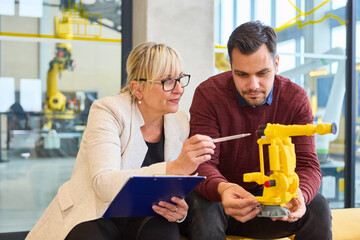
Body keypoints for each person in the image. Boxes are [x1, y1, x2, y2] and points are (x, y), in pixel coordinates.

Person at [26, 42, 215, 240]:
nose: (179, 90)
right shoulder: (108, 111)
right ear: (138, 88)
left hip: (146, 216)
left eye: (180, 79)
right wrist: (175, 167)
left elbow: (172, 188)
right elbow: (104, 184)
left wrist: (179, 212)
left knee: (165, 232)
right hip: (94, 213)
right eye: (167, 81)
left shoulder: (179, 121)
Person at [181, 21, 332, 240]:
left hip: (270, 204)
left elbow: (308, 164)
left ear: (277, 64)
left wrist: (300, 193)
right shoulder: (209, 95)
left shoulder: (295, 98)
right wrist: (223, 189)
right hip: (221, 199)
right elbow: (202, 164)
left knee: (317, 206)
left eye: (263, 73)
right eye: (241, 74)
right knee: (204, 206)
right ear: (230, 66)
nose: (253, 85)